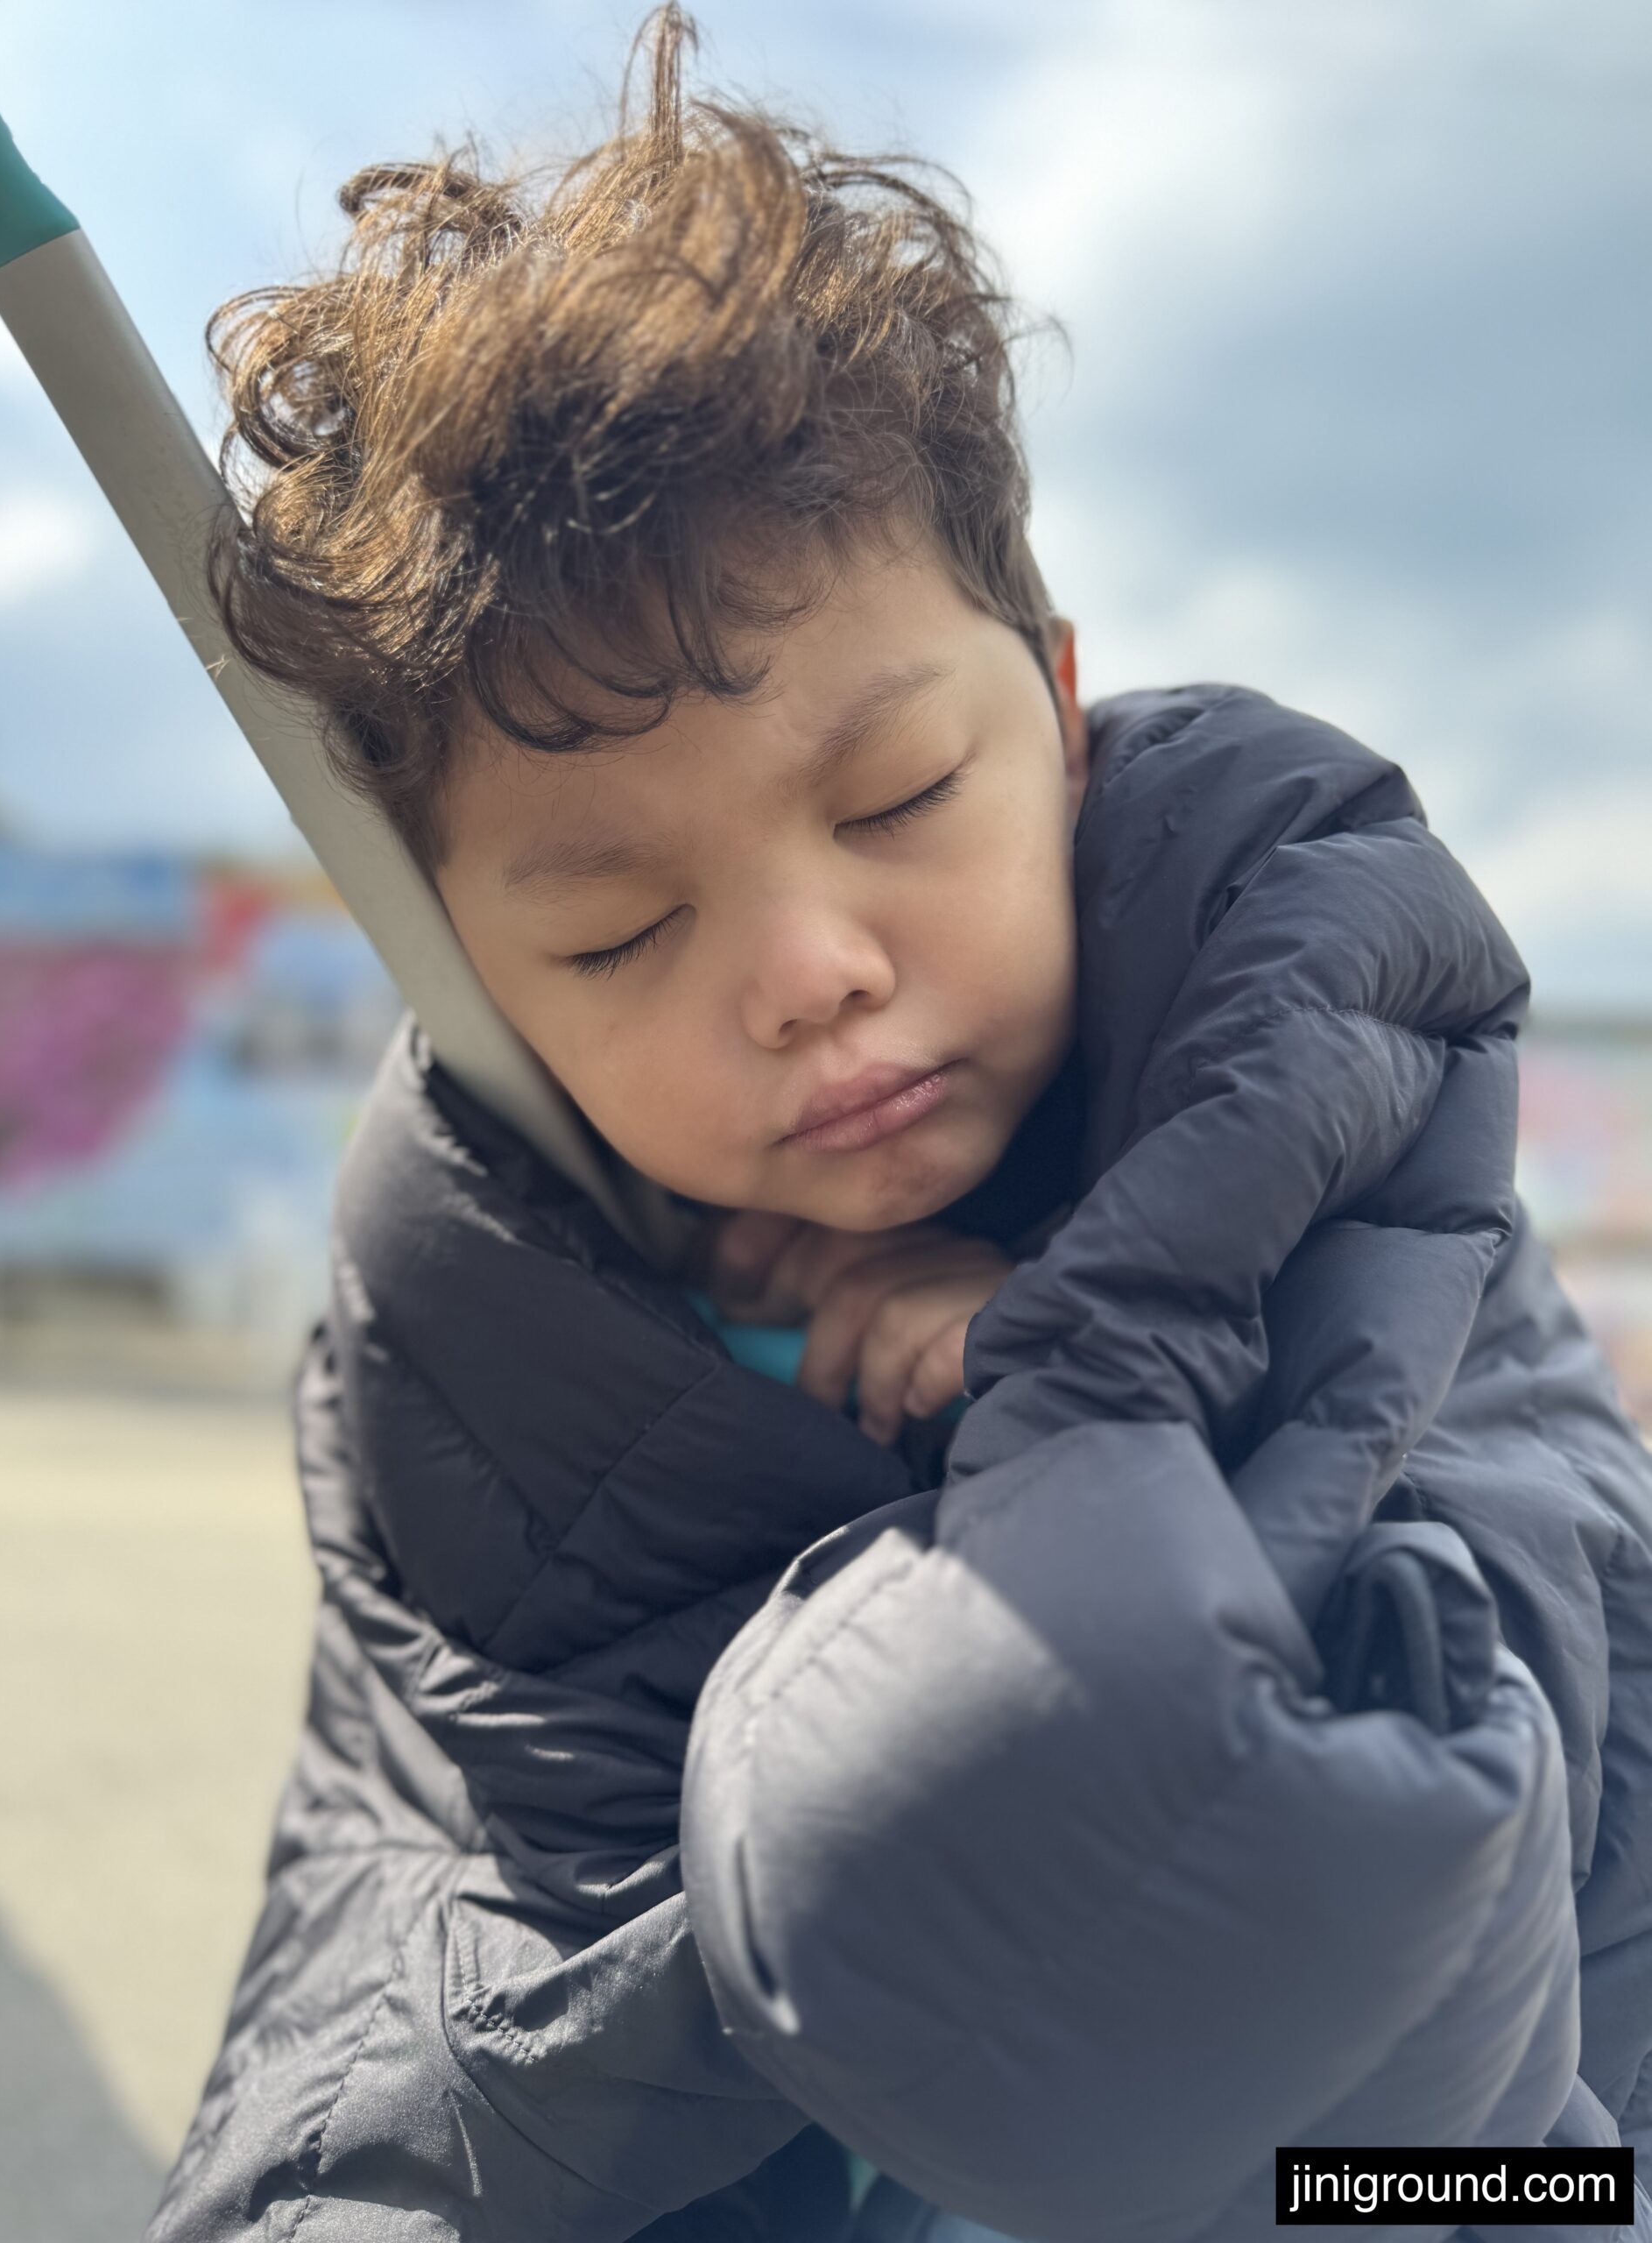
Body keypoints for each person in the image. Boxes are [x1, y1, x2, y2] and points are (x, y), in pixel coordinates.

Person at [145, 10, 1652, 2241]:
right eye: (620, 929)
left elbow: (1496, 1841)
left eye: (900, 796)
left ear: (1058, 708)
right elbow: (400, 1929)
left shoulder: (1337, 1075)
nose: (807, 968)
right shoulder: (458, 1327)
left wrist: (1071, 1394)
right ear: (461, 962)